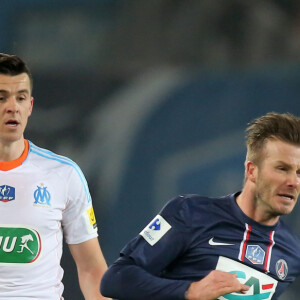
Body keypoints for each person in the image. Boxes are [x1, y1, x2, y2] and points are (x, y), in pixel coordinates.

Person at [101, 112, 300, 300]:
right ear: (252, 171)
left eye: (299, 173)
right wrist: (190, 291)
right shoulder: (189, 213)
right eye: (282, 169)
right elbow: (116, 279)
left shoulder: (292, 253)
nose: (294, 182)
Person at [0, 53, 111, 300]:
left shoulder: (63, 174)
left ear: (30, 106)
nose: (12, 107)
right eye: (1, 98)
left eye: (20, 98)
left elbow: (91, 269)